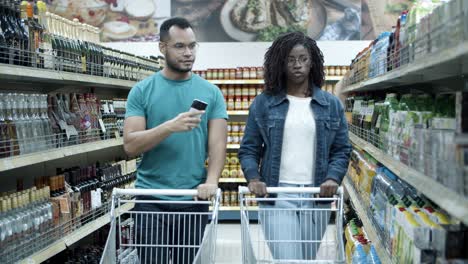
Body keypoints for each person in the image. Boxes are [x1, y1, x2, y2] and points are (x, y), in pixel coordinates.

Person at [238, 32, 351, 261]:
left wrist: (333, 178)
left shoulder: (330, 105)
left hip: (316, 195)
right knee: (289, 259)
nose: (297, 65)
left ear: (313, 62)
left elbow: (341, 149)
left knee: (306, 259)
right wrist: (253, 178)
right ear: (281, 63)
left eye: (303, 59)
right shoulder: (264, 103)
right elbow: (249, 149)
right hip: (278, 195)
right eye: (290, 59)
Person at [123, 17, 228, 264]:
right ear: (163, 48)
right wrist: (170, 126)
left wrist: (211, 181)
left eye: (192, 46)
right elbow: (130, 145)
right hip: (151, 199)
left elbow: (218, 144)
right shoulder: (142, 91)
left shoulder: (211, 92)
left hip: (193, 199)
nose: (188, 53)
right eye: (179, 46)